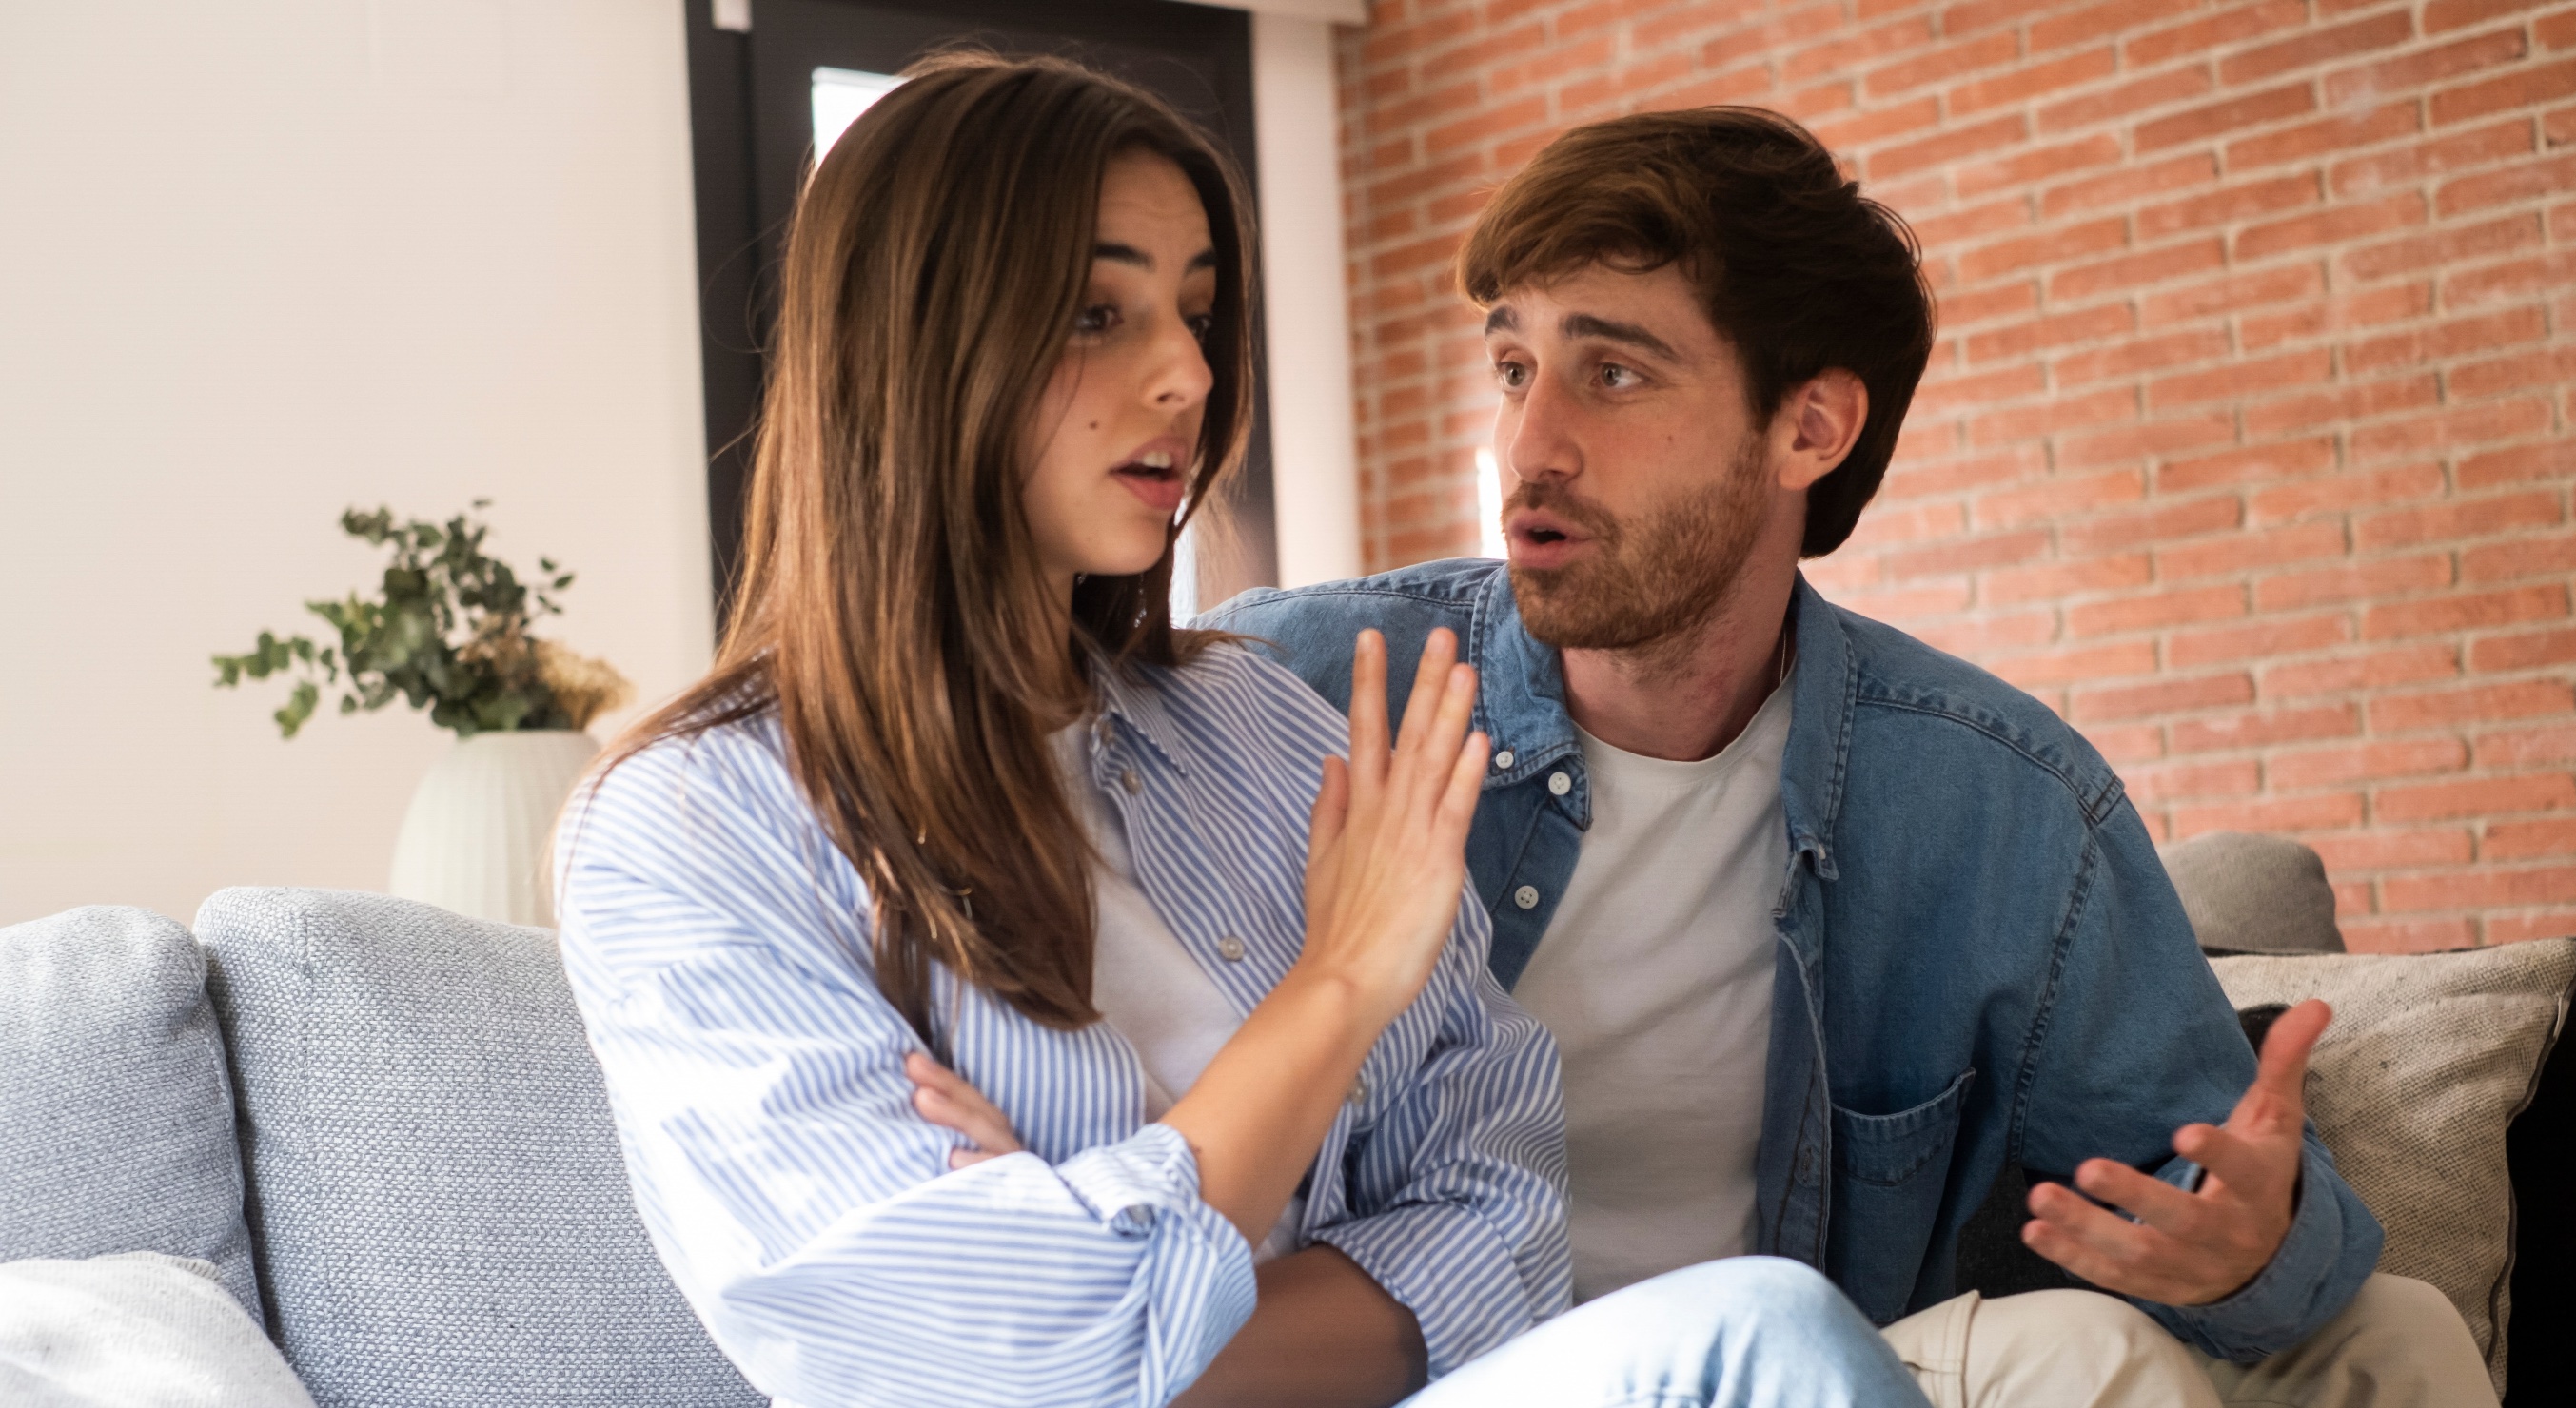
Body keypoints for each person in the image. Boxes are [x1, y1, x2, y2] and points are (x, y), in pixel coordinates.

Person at [558, 57, 1931, 1408]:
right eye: (1097, 313)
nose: (1184, 376)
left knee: (1802, 1338)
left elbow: (1499, 1224)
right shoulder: (691, 828)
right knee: (1773, 1346)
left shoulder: (1259, 723)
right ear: (913, 345)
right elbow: (969, 1366)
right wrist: (1337, 986)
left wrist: (1108, 1284)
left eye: (1198, 314)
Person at [1198, 108, 2497, 1408]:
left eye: (1614, 375)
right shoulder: (1298, 686)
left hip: (1793, 1376)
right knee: (2081, 1359)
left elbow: (2196, 1175)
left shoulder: (1988, 801)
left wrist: (2246, 1246)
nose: (1528, 447)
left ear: (1809, 429)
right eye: (1513, 368)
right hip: (1427, 1380)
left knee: (2399, 1335)